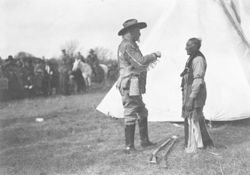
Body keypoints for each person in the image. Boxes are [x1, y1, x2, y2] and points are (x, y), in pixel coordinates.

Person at [116, 19, 161, 153]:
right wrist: (154, 55)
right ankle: (129, 146)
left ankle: (144, 141)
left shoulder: (129, 44)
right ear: (131, 32)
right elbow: (140, 63)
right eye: (137, 30)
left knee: (141, 111)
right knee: (131, 111)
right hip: (130, 83)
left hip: (132, 83)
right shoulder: (128, 46)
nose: (140, 33)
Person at [180, 38, 214, 153]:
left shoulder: (198, 59)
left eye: (188, 46)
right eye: (186, 45)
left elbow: (198, 80)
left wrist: (191, 98)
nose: (186, 48)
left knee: (195, 116)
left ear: (195, 46)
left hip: (195, 91)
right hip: (190, 90)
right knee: (193, 116)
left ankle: (200, 144)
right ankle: (197, 142)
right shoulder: (192, 57)